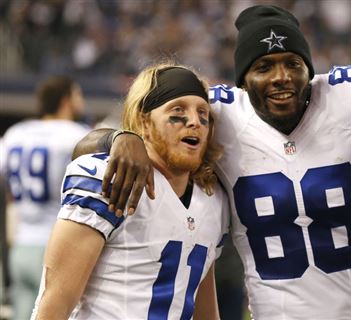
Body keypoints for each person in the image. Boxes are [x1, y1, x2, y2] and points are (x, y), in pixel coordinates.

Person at [72, 5, 351, 319]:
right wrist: (123, 136)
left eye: (293, 63)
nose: (281, 78)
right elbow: (92, 142)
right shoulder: (219, 112)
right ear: (243, 79)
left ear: (310, 67)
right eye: (264, 67)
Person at [30, 63, 229, 319]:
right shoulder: (106, 178)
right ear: (144, 122)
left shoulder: (212, 199)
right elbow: (55, 300)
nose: (194, 121)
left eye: (203, 112)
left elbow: (202, 304)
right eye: (178, 109)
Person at [0, 75, 90, 320]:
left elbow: (7, 188)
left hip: (19, 246)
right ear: (65, 100)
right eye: (77, 95)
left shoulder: (15, 133)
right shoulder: (77, 135)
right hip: (57, 245)